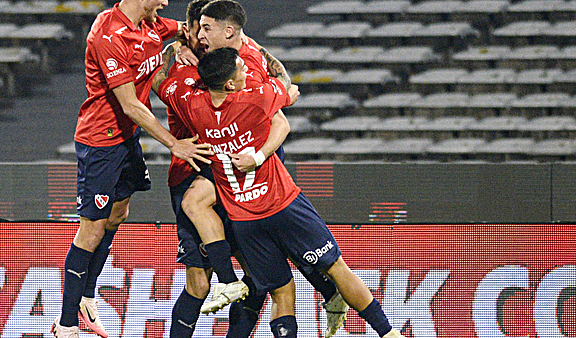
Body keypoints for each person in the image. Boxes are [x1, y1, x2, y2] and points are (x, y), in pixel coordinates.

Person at [155, 47, 406, 338]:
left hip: (244, 220)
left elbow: (161, 81)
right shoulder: (256, 100)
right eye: (241, 69)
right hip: (283, 205)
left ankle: (230, 280)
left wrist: (170, 50)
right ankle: (387, 333)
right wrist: (264, 55)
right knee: (337, 267)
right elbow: (285, 83)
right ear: (230, 85)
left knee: (282, 291)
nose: (246, 71)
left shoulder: (190, 105)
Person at [160, 1, 347, 336]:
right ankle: (326, 287)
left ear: (225, 30)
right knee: (199, 281)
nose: (202, 36)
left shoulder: (242, 65)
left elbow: (280, 117)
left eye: (207, 28)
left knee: (260, 272)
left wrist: (258, 157)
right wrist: (173, 51)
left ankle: (326, 287)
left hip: (244, 172)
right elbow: (283, 85)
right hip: (194, 171)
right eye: (197, 29)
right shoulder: (195, 66)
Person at [51, 1, 213, 337]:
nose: (166, 2)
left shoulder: (150, 23)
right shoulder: (108, 34)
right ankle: (66, 324)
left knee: (119, 213)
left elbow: (182, 31)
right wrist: (174, 143)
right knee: (92, 230)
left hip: (127, 139)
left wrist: (180, 46)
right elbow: (129, 104)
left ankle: (87, 295)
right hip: (101, 142)